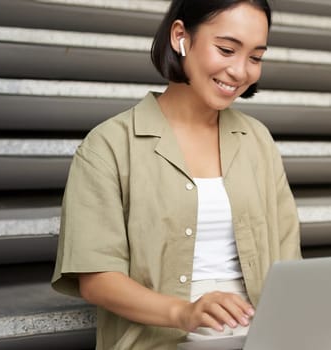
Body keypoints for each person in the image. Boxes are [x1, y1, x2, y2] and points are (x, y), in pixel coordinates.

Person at [50, 0, 302, 348]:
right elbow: (96, 280)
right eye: (227, 49)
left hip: (261, 336)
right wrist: (184, 312)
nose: (241, 71)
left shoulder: (257, 140)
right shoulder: (109, 145)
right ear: (181, 36)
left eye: (255, 57)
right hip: (160, 337)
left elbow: (289, 263)